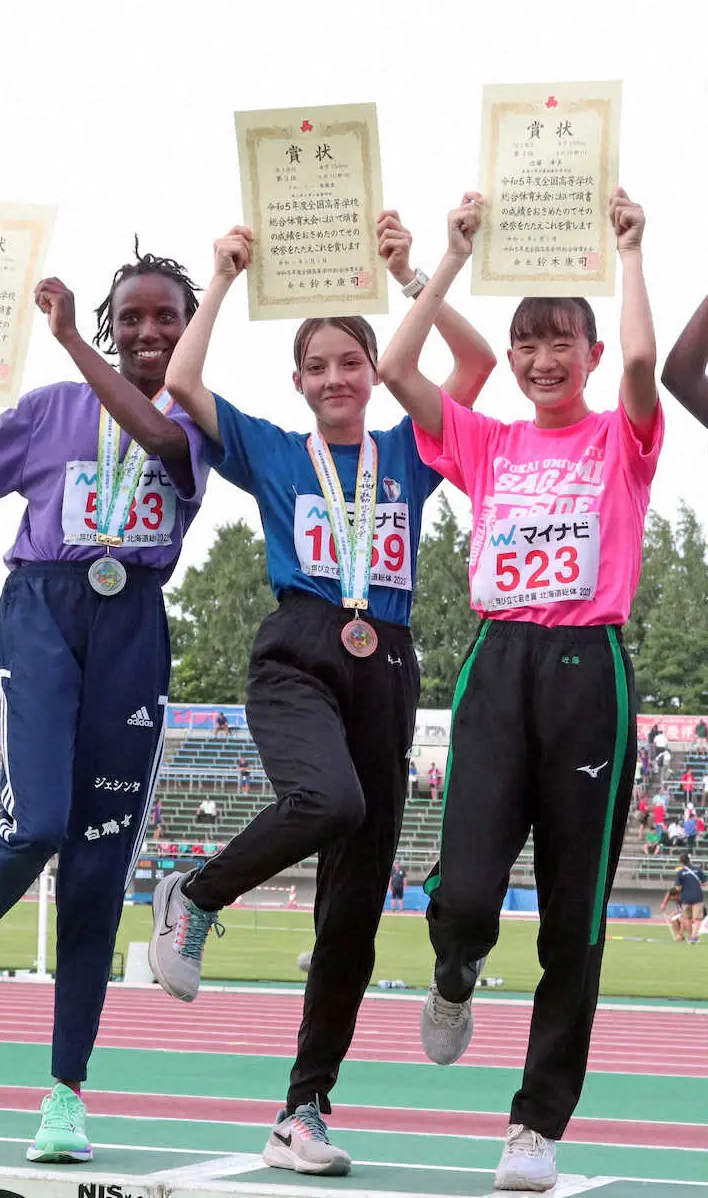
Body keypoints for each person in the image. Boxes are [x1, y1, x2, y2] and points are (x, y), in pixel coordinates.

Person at [147, 211, 495, 1177]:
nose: (337, 379)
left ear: (375, 369)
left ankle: (302, 1110)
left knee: (350, 915)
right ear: (298, 381)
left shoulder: (413, 452)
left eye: (353, 362)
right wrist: (221, 275)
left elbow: (473, 371)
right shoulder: (269, 451)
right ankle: (195, 894)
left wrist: (421, 267)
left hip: (386, 661)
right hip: (299, 649)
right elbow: (181, 382)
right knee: (327, 800)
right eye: (319, 367)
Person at [0, 242, 207, 1164]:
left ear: (189, 333)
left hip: (134, 624)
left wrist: (72, 341)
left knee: (100, 875)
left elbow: (156, 441)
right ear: (114, 324)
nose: (151, 332)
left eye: (168, 319)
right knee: (40, 822)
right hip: (43, 608)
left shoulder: (198, 418)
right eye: (135, 317)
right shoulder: (49, 410)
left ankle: (64, 1096)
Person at [375, 188, 661, 1191]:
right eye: (527, 344)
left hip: (591, 671)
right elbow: (398, 368)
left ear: (584, 355)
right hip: (497, 665)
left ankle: (535, 1125)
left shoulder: (619, 439)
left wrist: (629, 255)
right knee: (461, 886)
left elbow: (640, 365)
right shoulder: (489, 442)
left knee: (574, 918)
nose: (544, 361)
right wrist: (444, 260)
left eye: (561, 344)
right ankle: (455, 969)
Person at [673, 853, 706, 944]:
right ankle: (693, 937)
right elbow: (705, 883)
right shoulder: (698, 870)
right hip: (697, 897)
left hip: (685, 898)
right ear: (689, 860)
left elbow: (678, 888)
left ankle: (691, 936)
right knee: (697, 919)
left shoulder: (680, 872)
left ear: (681, 862)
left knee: (687, 918)